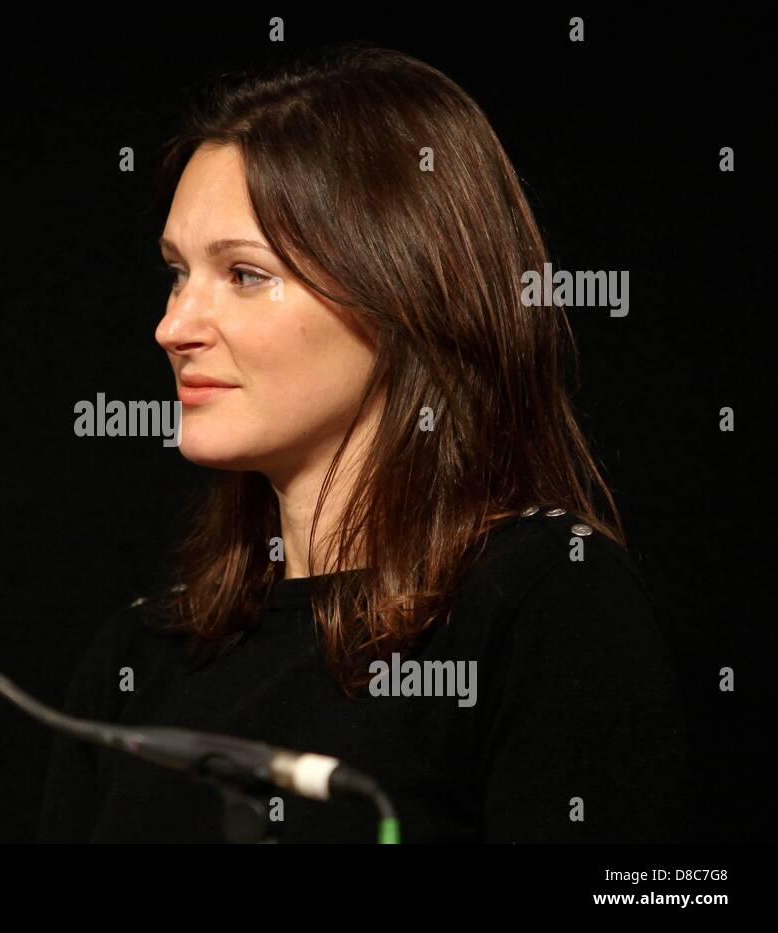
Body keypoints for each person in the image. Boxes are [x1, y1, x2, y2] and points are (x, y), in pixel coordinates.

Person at [36, 41, 689, 843]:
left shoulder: (541, 602)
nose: (172, 328)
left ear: (403, 290)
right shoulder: (137, 659)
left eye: (243, 274)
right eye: (177, 273)